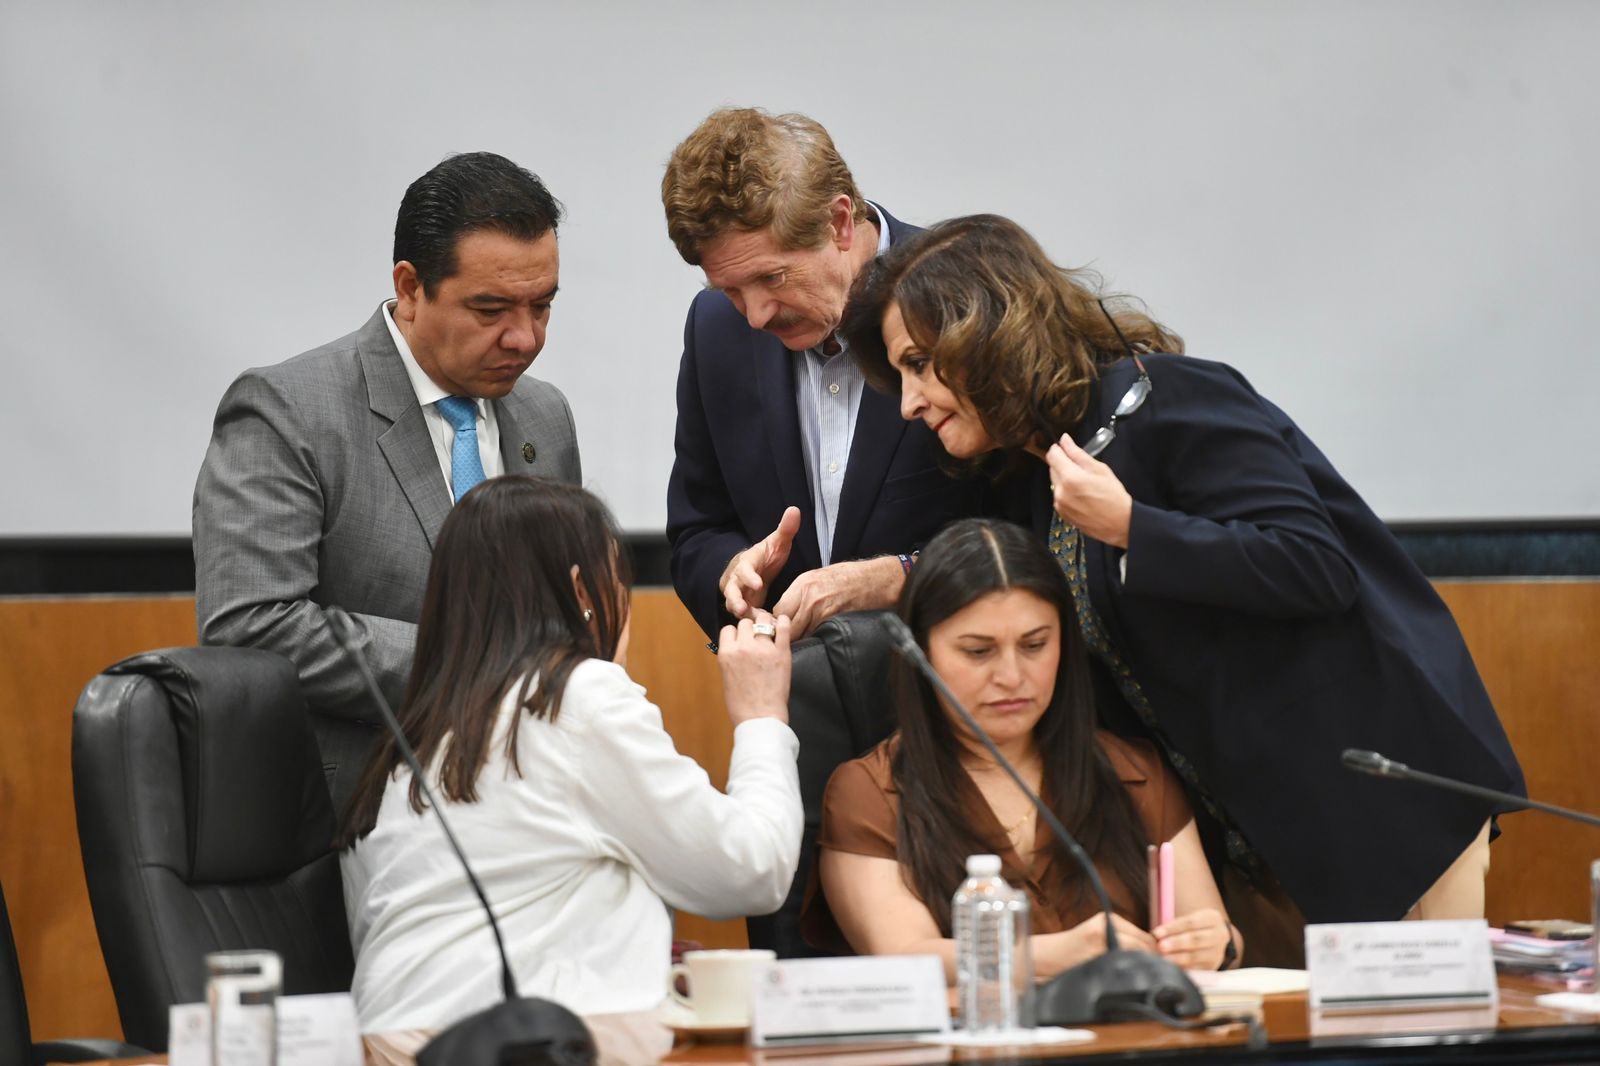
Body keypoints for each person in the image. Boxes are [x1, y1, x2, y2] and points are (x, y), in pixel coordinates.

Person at [841, 214, 1524, 964]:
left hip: (1376, 813)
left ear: (988, 334)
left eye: (920, 365)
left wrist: (1134, 527)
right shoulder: (1033, 479)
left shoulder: (1170, 398)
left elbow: (1315, 565)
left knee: (1414, 1026)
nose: (909, 403)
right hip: (1257, 846)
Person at [337, 476, 802, 1031]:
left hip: (389, 1045)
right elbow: (754, 869)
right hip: (528, 1047)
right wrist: (761, 715)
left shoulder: (412, 735)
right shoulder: (577, 697)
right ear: (583, 591)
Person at [193, 152, 582, 811]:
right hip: (354, 814)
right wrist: (476, 665)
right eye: (490, 309)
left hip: (530, 807)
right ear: (410, 287)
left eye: (541, 306)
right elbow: (250, 626)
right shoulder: (290, 411)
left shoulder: (546, 415)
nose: (524, 338)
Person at [810, 518, 1239, 976]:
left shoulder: (1132, 772)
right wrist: (1056, 955)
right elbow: (906, 958)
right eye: (979, 651)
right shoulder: (870, 794)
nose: (1012, 677)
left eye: (1034, 645)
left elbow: (1220, 936)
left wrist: (1216, 945)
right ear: (920, 652)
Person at [660, 107, 986, 641]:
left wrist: (899, 577)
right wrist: (731, 572)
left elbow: (1030, 529)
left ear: (839, 223)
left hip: (951, 682)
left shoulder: (966, 296)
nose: (756, 316)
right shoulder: (714, 329)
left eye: (772, 277)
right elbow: (698, 527)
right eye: (731, 289)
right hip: (794, 683)